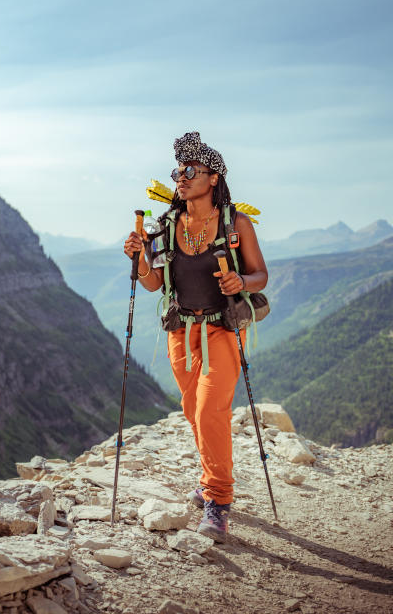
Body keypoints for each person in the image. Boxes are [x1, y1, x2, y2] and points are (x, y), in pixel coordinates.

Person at [123, 131, 268, 541]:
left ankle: (218, 502)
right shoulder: (168, 225)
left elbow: (261, 276)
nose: (181, 177)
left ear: (214, 178)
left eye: (190, 170)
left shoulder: (237, 224)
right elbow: (152, 284)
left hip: (221, 330)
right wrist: (139, 259)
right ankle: (210, 478)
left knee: (209, 412)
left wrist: (241, 280)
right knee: (193, 412)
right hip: (180, 331)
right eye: (177, 171)